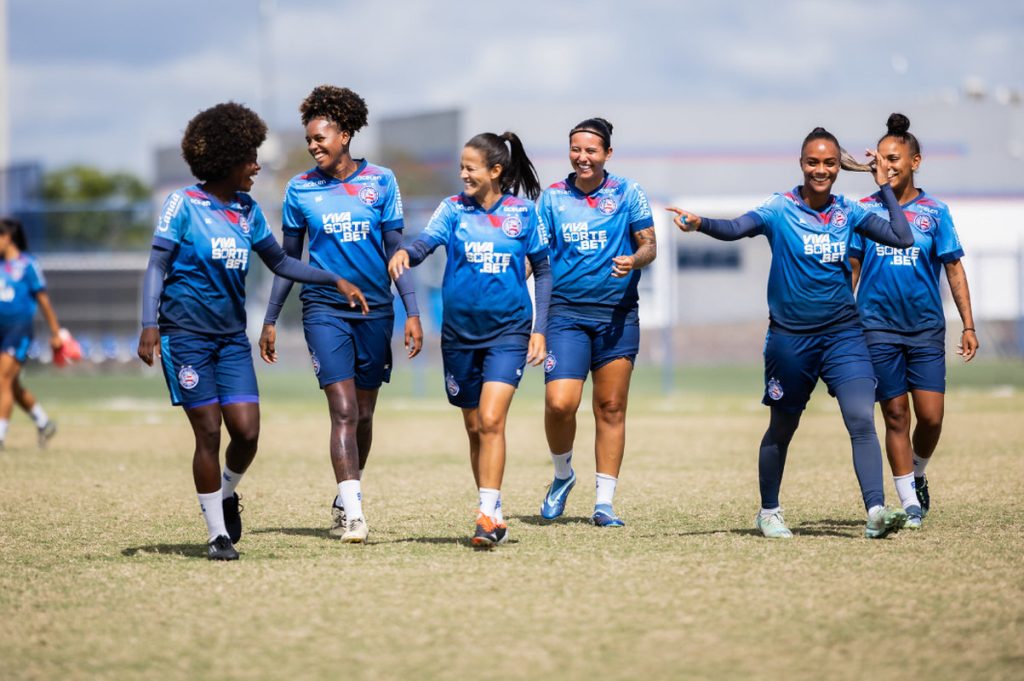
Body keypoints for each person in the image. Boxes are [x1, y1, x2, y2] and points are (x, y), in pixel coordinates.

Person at [137, 102, 368, 561]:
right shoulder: (183, 205)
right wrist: (149, 324)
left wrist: (333, 278)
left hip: (229, 340)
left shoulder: (247, 210)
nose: (257, 167)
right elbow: (156, 264)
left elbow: (281, 262)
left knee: (246, 434)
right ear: (226, 160)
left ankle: (226, 492)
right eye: (250, 159)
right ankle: (217, 535)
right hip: (185, 336)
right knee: (208, 431)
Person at [667, 126, 915, 539]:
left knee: (859, 417)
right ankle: (769, 512)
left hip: (843, 336)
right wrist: (699, 224)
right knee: (783, 428)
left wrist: (884, 188)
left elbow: (902, 238)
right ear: (801, 164)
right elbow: (735, 229)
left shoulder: (849, 212)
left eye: (830, 163)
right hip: (790, 340)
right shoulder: (779, 208)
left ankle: (875, 510)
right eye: (813, 162)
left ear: (838, 166)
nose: (821, 170)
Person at [258, 86, 422, 544]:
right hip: (323, 309)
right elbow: (287, 261)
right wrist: (270, 319)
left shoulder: (382, 182)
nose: (313, 146)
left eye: (320, 137)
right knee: (344, 410)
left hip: (376, 311)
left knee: (365, 413)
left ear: (345, 135)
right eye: (309, 140)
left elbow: (396, 252)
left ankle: (344, 494)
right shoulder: (299, 190)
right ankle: (354, 514)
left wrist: (411, 310)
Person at [388, 131, 551, 548]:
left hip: (509, 332)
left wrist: (540, 329)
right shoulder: (452, 209)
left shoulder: (523, 214)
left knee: (493, 420)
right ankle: (493, 512)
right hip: (459, 336)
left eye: (470, 167)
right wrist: (409, 252)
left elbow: (544, 272)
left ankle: (484, 512)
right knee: (475, 426)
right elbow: (427, 242)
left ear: (495, 171)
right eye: (461, 166)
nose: (462, 173)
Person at [848, 113, 978, 528]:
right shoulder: (864, 211)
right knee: (895, 415)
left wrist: (969, 325)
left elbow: (954, 269)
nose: (888, 165)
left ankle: (918, 472)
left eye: (895, 158)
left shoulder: (935, 212)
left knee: (932, 416)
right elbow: (850, 268)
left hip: (924, 328)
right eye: (882, 158)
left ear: (915, 161)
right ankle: (909, 504)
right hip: (876, 327)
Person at [535, 118, 656, 527]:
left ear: (607, 154)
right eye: (576, 149)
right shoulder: (551, 199)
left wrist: (633, 260)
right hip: (566, 315)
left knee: (611, 407)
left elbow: (649, 246)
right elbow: (538, 259)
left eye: (591, 150)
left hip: (617, 316)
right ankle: (563, 475)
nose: (582, 157)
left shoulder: (628, 193)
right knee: (560, 403)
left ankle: (604, 503)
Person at [0, 217, 61, 450]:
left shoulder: (27, 265)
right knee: (11, 385)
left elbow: (43, 301)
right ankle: (44, 423)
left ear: (6, 237)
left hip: (18, 331)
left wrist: (55, 333)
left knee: (2, 381)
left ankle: (0, 436)